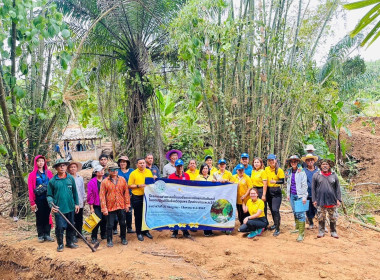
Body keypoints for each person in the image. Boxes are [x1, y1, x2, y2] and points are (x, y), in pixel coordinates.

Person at [47, 158, 80, 252]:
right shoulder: (52, 181)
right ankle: (60, 244)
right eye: (60, 166)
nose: (62, 167)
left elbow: (75, 192)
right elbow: (49, 196)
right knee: (60, 227)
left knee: (71, 225)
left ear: (66, 167)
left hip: (70, 207)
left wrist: (77, 204)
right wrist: (52, 206)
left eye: (64, 165)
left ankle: (69, 242)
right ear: (56, 168)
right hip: (59, 209)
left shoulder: (70, 178)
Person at [100, 162, 130, 247]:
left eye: (116, 169)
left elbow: (126, 193)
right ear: (109, 171)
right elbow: (102, 196)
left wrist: (127, 204)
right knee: (110, 224)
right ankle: (109, 240)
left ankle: (123, 238)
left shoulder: (122, 180)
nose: (115, 171)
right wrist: (104, 208)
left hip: (121, 205)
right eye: (112, 170)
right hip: (110, 206)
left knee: (123, 223)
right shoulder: (104, 182)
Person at [312, 159, 342, 239]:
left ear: (329, 166)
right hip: (320, 200)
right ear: (320, 166)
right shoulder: (316, 175)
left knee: (333, 217)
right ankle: (321, 231)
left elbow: (337, 188)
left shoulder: (334, 175)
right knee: (321, 216)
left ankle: (333, 232)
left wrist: (338, 199)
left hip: (332, 200)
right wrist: (314, 200)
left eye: (327, 164)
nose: (325, 166)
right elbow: (313, 189)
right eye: (323, 164)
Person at [27, 155, 54, 242]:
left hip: (48, 198)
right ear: (36, 162)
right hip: (38, 199)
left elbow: (53, 185)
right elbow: (30, 189)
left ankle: (47, 234)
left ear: (44, 162)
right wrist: (32, 202)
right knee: (39, 216)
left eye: (42, 161)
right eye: (38, 161)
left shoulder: (48, 173)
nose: (40, 163)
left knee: (47, 215)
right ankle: (40, 235)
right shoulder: (32, 175)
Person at [128, 158, 154, 241]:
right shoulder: (133, 173)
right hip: (137, 197)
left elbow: (151, 183)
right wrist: (139, 186)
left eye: (143, 163)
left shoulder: (149, 172)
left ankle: (146, 231)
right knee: (138, 215)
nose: (142, 164)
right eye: (140, 163)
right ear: (137, 165)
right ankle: (139, 232)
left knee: (146, 214)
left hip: (147, 196)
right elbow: (129, 185)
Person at [285, 155, 308, 242]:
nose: (293, 163)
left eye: (295, 161)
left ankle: (301, 234)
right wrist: (288, 194)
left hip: (300, 195)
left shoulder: (301, 172)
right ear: (290, 163)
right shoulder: (289, 171)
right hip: (292, 195)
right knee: (295, 211)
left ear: (297, 162)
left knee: (300, 213)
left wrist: (304, 196)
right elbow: (288, 184)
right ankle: (297, 228)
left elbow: (304, 185)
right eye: (292, 161)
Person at [168, 159, 191, 238]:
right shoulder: (171, 176)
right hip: (175, 199)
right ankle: (175, 231)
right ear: (175, 167)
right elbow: (169, 188)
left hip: (184, 199)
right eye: (178, 166)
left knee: (184, 214)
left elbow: (190, 187)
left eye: (181, 166)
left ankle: (185, 230)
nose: (180, 167)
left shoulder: (187, 176)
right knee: (175, 214)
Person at [265, 154, 285, 237]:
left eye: (272, 160)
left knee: (275, 209)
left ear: (275, 160)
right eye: (269, 160)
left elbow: (282, 181)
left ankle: (277, 228)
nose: (271, 162)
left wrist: (276, 182)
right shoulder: (266, 169)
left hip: (276, 191)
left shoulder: (279, 170)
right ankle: (274, 224)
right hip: (268, 191)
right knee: (271, 209)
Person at [87, 165, 107, 244]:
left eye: (102, 170)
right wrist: (91, 207)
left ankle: (103, 234)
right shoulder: (92, 182)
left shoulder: (106, 180)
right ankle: (94, 237)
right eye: (99, 170)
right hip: (96, 204)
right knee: (96, 221)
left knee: (105, 220)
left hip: (105, 204)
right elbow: (90, 195)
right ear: (96, 172)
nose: (102, 172)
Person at [67, 161, 85, 243]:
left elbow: (82, 190)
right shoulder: (67, 178)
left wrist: (84, 199)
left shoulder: (80, 178)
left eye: (74, 167)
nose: (73, 168)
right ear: (68, 169)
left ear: (77, 168)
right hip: (71, 202)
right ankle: (73, 234)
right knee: (72, 219)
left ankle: (79, 233)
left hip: (80, 200)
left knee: (79, 218)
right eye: (71, 167)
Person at [117, 156, 135, 233]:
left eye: (124, 162)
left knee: (129, 211)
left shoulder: (131, 171)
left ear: (127, 163)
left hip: (130, 194)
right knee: (120, 212)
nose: (122, 163)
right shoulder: (117, 171)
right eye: (121, 162)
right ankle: (118, 228)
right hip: (120, 195)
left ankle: (129, 227)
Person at [196, 163, 214, 236]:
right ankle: (205, 230)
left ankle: (210, 229)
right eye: (204, 168)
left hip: (210, 199)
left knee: (210, 214)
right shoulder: (198, 177)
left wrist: (215, 182)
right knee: (204, 214)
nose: (205, 170)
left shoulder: (211, 177)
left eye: (206, 168)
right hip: (202, 199)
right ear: (201, 169)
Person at [302, 154, 319, 229]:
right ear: (306, 161)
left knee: (319, 210)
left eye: (311, 160)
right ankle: (311, 223)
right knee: (309, 210)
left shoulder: (318, 170)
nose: (310, 162)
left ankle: (322, 225)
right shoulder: (303, 171)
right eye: (308, 160)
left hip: (317, 194)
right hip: (307, 193)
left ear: (314, 161)